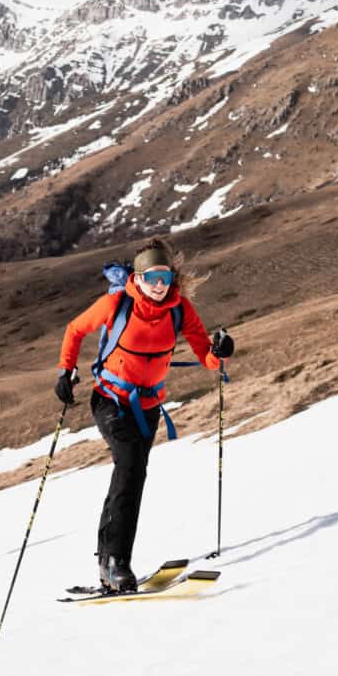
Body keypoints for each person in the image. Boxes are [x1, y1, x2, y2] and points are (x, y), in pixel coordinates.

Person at [55, 240, 235, 592]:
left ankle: (107, 560)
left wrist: (221, 352)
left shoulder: (179, 309)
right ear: (138, 277)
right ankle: (117, 564)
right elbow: (75, 329)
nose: (159, 284)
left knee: (130, 477)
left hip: (148, 408)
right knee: (131, 469)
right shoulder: (116, 304)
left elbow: (207, 357)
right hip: (110, 401)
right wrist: (65, 371)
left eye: (165, 277)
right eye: (152, 277)